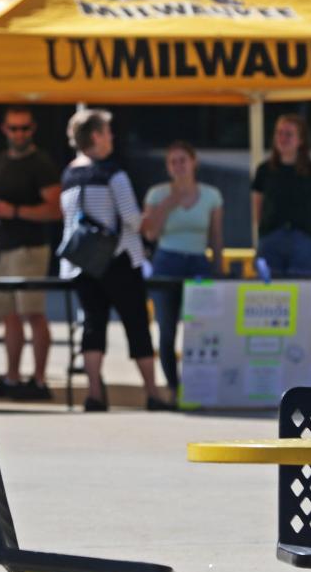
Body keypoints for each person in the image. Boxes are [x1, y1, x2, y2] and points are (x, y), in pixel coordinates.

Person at [59, 109, 170, 412]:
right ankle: (152, 393)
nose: (112, 137)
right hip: (118, 260)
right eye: (107, 131)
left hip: (81, 263)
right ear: (95, 136)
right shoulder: (113, 174)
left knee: (93, 326)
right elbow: (132, 220)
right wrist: (151, 216)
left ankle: (95, 393)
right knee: (136, 325)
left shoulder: (68, 174)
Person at [0, 106, 61, 400]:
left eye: (24, 128)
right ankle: (12, 377)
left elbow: (55, 209)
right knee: (8, 316)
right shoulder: (1, 160)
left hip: (29, 248)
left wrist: (15, 211)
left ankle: (39, 380)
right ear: (4, 129)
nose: (19, 134)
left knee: (33, 313)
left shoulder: (40, 163)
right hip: (3, 246)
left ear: (33, 130)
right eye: (14, 129)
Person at [142, 141, 223, 406]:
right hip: (167, 262)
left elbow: (216, 237)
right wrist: (168, 203)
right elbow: (150, 233)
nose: (178, 166)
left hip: (198, 264)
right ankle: (173, 387)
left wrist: (218, 268)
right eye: (172, 162)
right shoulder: (157, 194)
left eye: (182, 160)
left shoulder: (211, 195)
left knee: (201, 329)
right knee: (167, 329)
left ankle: (199, 385)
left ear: (193, 162)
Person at [251, 114, 311, 277]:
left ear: (301, 140)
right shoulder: (264, 170)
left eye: (289, 134)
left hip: (304, 240)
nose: (282, 138)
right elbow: (258, 209)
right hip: (271, 239)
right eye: (279, 133)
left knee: (303, 294)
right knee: (269, 295)